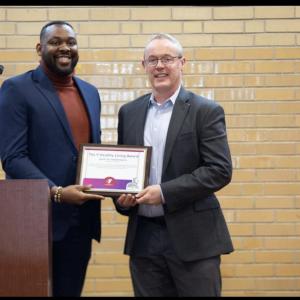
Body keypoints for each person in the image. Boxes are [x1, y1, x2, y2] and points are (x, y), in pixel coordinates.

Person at [115, 33, 234, 297]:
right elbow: (124, 170)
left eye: (167, 59)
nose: (160, 66)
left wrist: (164, 192)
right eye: (153, 59)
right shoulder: (129, 112)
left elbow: (219, 170)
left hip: (194, 240)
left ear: (182, 63)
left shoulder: (205, 111)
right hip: (143, 240)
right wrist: (121, 200)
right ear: (143, 65)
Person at [0, 21, 105, 297]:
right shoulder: (16, 89)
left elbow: (91, 152)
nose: (64, 48)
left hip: (79, 224)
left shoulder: (91, 93)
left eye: (70, 42)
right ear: (39, 48)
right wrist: (56, 192)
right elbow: (13, 157)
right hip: (34, 223)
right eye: (56, 42)